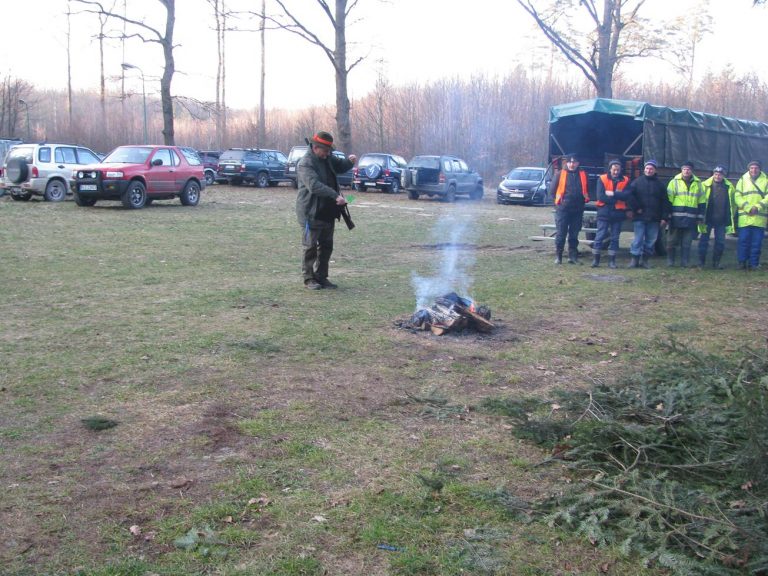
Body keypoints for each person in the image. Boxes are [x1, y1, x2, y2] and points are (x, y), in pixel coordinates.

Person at [295, 131, 356, 290]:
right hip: (311, 211)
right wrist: (335, 195)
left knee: (326, 246)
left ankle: (322, 277)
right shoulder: (305, 163)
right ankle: (309, 278)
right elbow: (314, 186)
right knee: (310, 246)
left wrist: (349, 162)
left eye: (329, 151)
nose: (328, 154)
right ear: (316, 148)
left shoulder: (327, 157)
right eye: (325, 151)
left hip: (328, 210)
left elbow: (340, 166)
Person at [625, 159, 669, 269]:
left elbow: (665, 202)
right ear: (644, 169)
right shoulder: (636, 182)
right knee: (638, 239)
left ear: (655, 170)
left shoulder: (660, 185)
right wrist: (636, 208)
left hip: (654, 218)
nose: (649, 170)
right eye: (647, 168)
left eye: (651, 169)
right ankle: (634, 261)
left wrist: (664, 217)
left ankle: (645, 261)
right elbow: (629, 196)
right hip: (640, 217)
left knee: (651, 240)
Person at [550, 153, 589, 264]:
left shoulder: (583, 175)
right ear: (566, 163)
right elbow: (552, 192)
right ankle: (559, 256)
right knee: (561, 234)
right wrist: (558, 205)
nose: (572, 164)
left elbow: (587, 190)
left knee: (574, 234)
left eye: (574, 162)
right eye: (570, 162)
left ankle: (572, 257)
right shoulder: (559, 174)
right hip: (563, 210)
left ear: (578, 163)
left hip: (577, 210)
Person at [591, 159, 630, 269]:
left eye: (618, 170)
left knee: (615, 238)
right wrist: (617, 197)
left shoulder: (626, 180)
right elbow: (600, 196)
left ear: (620, 169)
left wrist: (612, 194)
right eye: (614, 170)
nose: (616, 172)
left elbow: (627, 196)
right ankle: (596, 260)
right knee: (600, 236)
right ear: (610, 169)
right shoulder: (602, 179)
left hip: (618, 214)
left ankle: (612, 261)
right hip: (604, 212)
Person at [697, 166, 736, 269]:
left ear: (724, 175)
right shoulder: (704, 185)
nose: (718, 176)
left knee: (720, 242)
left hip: (722, 220)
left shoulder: (729, 187)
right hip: (707, 219)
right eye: (716, 174)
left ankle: (716, 263)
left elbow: (733, 204)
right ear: (713, 174)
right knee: (703, 241)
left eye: (720, 174)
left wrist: (730, 216)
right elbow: (699, 201)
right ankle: (701, 263)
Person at [666, 161, 703, 267]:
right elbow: (668, 200)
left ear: (692, 171)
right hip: (676, 217)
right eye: (684, 169)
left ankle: (685, 262)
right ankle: (670, 261)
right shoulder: (674, 182)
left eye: (689, 169)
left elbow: (702, 201)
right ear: (681, 170)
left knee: (687, 242)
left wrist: (700, 216)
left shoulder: (698, 184)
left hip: (691, 218)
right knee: (671, 241)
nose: (686, 171)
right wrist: (668, 215)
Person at [734, 160, 768, 270]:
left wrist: (758, 207)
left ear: (760, 169)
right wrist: (748, 208)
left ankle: (754, 264)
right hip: (745, 218)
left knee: (756, 243)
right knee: (743, 242)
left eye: (756, 168)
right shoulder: (742, 180)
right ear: (749, 169)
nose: (754, 170)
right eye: (752, 168)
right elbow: (737, 196)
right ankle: (742, 263)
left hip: (759, 218)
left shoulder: (766, 180)